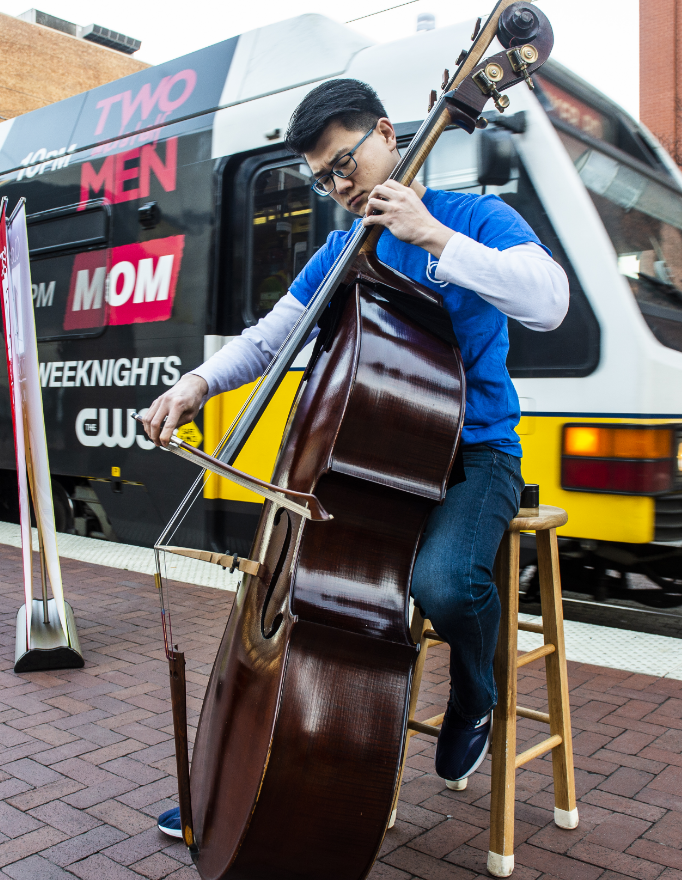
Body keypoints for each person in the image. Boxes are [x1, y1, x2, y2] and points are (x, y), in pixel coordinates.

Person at [142, 80, 569, 838]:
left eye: (347, 163)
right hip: (379, 471)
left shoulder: (470, 216)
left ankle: (476, 691)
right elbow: (271, 338)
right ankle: (250, 777)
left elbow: (550, 300)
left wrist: (434, 235)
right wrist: (197, 384)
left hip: (478, 456)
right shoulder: (341, 253)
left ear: (386, 133)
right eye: (326, 178)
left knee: (445, 579)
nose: (342, 187)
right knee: (308, 606)